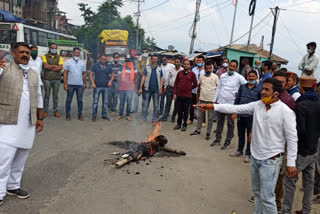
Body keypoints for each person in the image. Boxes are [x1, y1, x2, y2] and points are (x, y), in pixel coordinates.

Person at [195, 78, 298, 214]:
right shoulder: (258, 105)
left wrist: (291, 163)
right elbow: (236, 108)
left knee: (267, 198)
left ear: (276, 94)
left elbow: (292, 139)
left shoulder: (286, 112)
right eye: (263, 89)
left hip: (271, 160)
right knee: (257, 194)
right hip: (255, 157)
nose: (263, 92)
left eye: (267, 90)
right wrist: (213, 106)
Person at [0, 42, 44, 205]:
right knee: (3, 159)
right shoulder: (5, 68)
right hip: (7, 121)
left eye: (27, 52)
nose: (25, 55)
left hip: (28, 122)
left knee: (20, 157)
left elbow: (39, 96)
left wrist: (39, 118)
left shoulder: (33, 73)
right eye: (21, 52)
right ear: (13, 53)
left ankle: (13, 185)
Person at [282, 76, 320, 214]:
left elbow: (299, 130)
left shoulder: (300, 105)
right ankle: (306, 210)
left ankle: (285, 210)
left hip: (301, 150)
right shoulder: (318, 102)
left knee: (290, 181)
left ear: (301, 88)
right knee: (308, 182)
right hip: (313, 149)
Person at [212, 60, 247, 150]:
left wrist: (239, 99)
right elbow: (219, 88)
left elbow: (246, 87)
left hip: (231, 104)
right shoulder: (223, 76)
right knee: (220, 122)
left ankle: (227, 141)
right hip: (221, 102)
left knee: (230, 123)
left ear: (236, 68)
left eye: (233, 66)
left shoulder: (239, 77)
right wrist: (214, 100)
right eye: (230, 66)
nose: (231, 68)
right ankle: (217, 139)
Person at [229, 70, 261, 163]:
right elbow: (237, 99)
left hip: (251, 117)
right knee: (240, 134)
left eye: (253, 76)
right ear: (247, 77)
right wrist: (234, 112)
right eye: (249, 76)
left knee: (250, 136)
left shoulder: (259, 89)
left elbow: (260, 104)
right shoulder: (242, 87)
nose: (251, 78)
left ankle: (248, 154)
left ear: (256, 78)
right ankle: (239, 150)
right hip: (241, 115)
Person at [190, 63, 219, 140]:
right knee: (200, 116)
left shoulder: (215, 77)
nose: (208, 70)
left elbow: (218, 89)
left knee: (210, 118)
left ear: (212, 69)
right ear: (204, 69)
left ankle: (208, 133)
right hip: (202, 99)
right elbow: (199, 87)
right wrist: (197, 97)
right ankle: (198, 130)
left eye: (210, 68)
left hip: (211, 101)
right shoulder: (201, 76)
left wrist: (215, 101)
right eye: (207, 68)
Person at [173, 60, 197, 131]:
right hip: (179, 95)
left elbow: (195, 84)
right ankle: (178, 124)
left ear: (190, 66)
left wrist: (189, 88)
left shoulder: (192, 74)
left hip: (187, 96)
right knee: (179, 111)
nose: (186, 65)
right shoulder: (179, 73)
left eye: (187, 64)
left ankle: (184, 125)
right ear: (183, 65)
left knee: (186, 111)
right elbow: (175, 83)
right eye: (185, 64)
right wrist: (174, 93)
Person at [139, 55, 163, 124]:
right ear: (151, 60)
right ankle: (143, 118)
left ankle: (154, 119)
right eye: (153, 59)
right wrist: (140, 88)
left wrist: (160, 88)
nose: (154, 60)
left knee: (156, 105)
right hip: (147, 89)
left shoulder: (159, 68)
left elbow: (161, 79)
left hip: (156, 90)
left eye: (156, 59)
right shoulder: (147, 67)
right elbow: (143, 77)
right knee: (146, 104)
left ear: (157, 60)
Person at [63, 47, 86, 121]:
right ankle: (68, 114)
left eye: (78, 53)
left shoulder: (82, 63)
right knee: (69, 100)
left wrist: (84, 83)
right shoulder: (68, 62)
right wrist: (65, 84)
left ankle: (80, 114)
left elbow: (84, 74)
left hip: (80, 85)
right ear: (73, 53)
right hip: (70, 84)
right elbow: (65, 74)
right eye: (76, 52)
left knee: (80, 100)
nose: (77, 54)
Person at [42, 42, 63, 118]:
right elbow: (45, 66)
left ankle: (56, 110)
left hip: (56, 79)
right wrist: (55, 66)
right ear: (49, 48)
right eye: (52, 48)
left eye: (55, 48)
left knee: (55, 96)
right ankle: (46, 111)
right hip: (47, 79)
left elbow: (60, 67)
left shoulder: (59, 57)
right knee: (46, 96)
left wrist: (50, 66)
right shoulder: (45, 56)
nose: (54, 49)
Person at [89, 54, 113, 121]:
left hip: (106, 87)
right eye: (102, 59)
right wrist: (93, 83)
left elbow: (112, 75)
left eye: (105, 60)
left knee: (105, 102)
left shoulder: (108, 66)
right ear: (99, 59)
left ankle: (104, 115)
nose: (103, 61)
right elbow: (91, 74)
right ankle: (94, 116)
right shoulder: (95, 65)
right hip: (97, 86)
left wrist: (110, 81)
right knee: (95, 102)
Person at [160, 58, 183, 122]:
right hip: (170, 88)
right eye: (175, 62)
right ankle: (165, 116)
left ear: (180, 63)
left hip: (178, 90)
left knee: (176, 104)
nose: (176, 63)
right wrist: (165, 86)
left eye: (178, 62)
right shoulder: (171, 69)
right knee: (168, 103)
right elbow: (168, 78)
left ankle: (173, 117)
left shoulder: (182, 70)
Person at [188, 55, 205, 125]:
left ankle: (203, 121)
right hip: (194, 90)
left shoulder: (205, 70)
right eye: (197, 61)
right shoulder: (194, 69)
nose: (198, 62)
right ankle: (190, 119)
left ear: (203, 61)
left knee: (202, 106)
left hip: (202, 90)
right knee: (192, 106)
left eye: (200, 61)